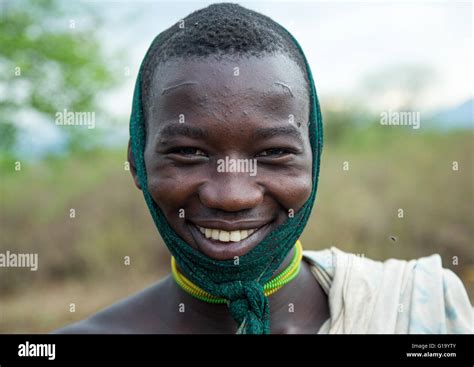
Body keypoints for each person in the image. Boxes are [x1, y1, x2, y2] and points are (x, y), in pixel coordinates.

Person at [56, 3, 473, 334]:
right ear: (137, 164)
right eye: (188, 152)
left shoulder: (422, 308)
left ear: (315, 157)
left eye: (273, 153)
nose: (233, 196)